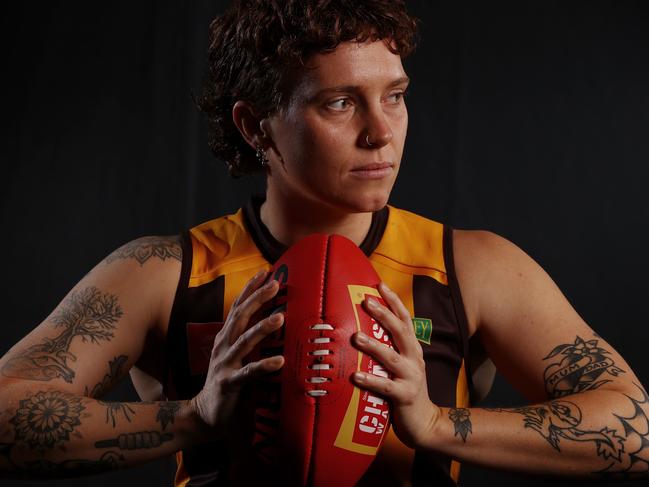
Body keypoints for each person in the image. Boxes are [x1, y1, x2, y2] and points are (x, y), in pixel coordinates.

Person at [0, 0, 647, 485]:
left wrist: (435, 423)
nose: (380, 133)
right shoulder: (165, 272)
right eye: (339, 103)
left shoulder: (468, 266)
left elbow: (635, 425)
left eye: (393, 97)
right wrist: (192, 417)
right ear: (256, 126)